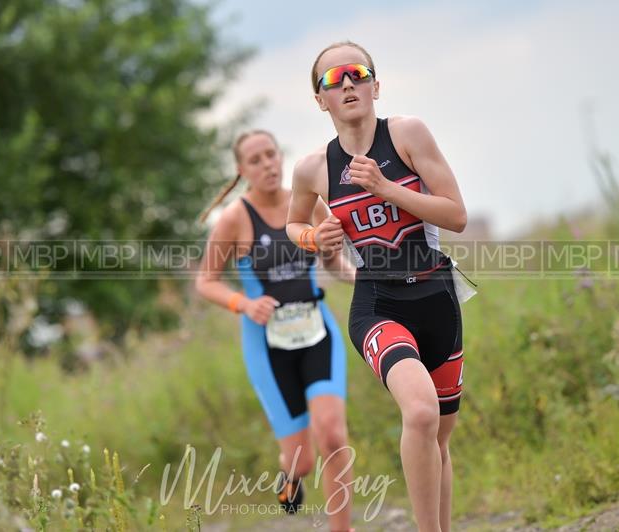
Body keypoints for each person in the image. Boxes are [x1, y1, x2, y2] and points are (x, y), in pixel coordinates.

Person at [286, 41, 468, 532]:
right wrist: (314, 236)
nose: (347, 83)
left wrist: (387, 189)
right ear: (320, 99)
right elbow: (293, 224)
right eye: (333, 79)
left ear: (375, 86)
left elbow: (457, 215)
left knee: (439, 439)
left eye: (357, 73)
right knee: (421, 411)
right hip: (378, 304)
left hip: (437, 298)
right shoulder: (313, 168)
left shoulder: (407, 134)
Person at [196, 130, 357, 531]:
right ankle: (290, 475)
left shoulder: (306, 203)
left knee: (333, 434)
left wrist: (360, 276)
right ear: (241, 170)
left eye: (271, 154)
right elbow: (206, 281)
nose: (267, 164)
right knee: (302, 460)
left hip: (318, 332)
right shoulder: (236, 217)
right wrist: (244, 304)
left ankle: (343, 528)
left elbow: (335, 263)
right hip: (267, 347)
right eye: (255, 159)